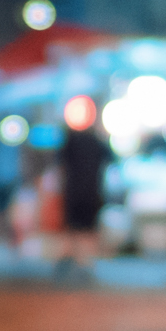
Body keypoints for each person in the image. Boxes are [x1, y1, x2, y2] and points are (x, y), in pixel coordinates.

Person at [55, 102, 112, 279]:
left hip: (73, 192)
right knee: (87, 229)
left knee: (73, 227)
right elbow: (111, 159)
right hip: (92, 192)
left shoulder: (69, 140)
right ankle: (84, 262)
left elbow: (60, 166)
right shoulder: (97, 141)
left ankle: (73, 259)